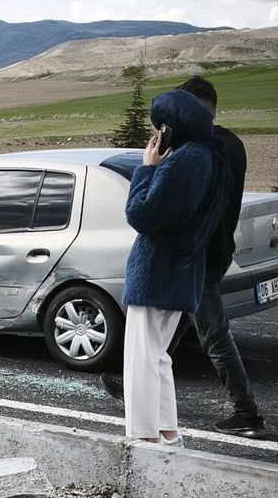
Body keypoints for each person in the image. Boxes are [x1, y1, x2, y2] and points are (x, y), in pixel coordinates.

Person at [101, 77, 264, 439]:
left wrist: (148, 168)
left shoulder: (191, 157)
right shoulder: (224, 147)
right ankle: (154, 415)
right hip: (208, 250)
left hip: (184, 257)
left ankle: (245, 411)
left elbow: (144, 214)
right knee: (164, 345)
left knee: (203, 337)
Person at [121, 89, 228, 446]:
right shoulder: (208, 156)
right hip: (182, 269)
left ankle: (144, 439)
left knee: (141, 358)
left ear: (167, 129)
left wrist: (146, 169)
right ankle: (167, 433)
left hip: (157, 271)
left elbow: (141, 214)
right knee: (158, 356)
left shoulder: (181, 161)